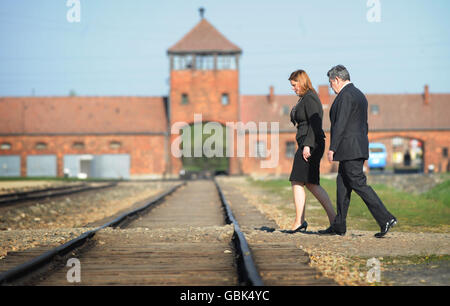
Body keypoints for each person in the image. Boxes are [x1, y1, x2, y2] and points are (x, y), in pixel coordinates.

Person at [320, 65, 397, 238]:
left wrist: (332, 148)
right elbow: (364, 124)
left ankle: (385, 218)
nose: (331, 87)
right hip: (356, 147)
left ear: (337, 80)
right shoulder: (359, 94)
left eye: (331, 83)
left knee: (358, 183)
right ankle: (339, 225)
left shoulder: (346, 96)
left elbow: (341, 123)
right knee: (342, 184)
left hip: (350, 149)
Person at [287, 70, 336, 233]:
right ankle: (335, 221)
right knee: (311, 183)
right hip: (308, 143)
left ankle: (299, 221)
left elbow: (315, 123)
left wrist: (308, 145)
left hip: (311, 144)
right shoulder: (304, 99)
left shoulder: (311, 98)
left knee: (297, 180)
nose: (293, 89)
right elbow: (303, 121)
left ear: (301, 82)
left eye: (294, 85)